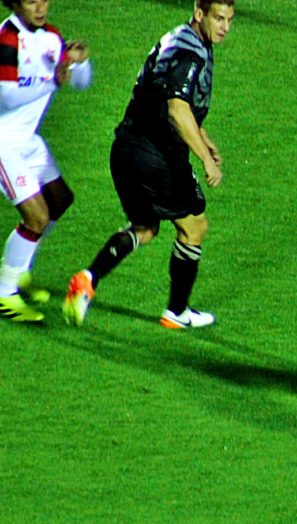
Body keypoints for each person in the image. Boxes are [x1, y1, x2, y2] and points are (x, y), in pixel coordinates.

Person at [63, 0, 235, 329]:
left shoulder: (178, 38)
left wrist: (203, 136)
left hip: (125, 148)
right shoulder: (192, 53)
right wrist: (205, 160)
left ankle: (88, 278)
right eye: (218, 17)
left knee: (145, 228)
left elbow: (165, 99)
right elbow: (176, 110)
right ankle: (177, 312)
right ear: (200, 14)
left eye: (229, 19)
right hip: (156, 155)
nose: (224, 26)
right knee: (194, 227)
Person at [0, 0, 90, 322]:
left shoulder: (52, 37)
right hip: (3, 142)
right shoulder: (7, 39)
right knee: (37, 217)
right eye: (31, 1)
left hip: (27, 140)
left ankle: (17, 268)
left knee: (60, 199)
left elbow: (80, 83)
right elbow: (6, 95)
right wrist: (53, 80)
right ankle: (4, 293)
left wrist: (79, 64)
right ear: (14, 3)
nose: (40, 7)